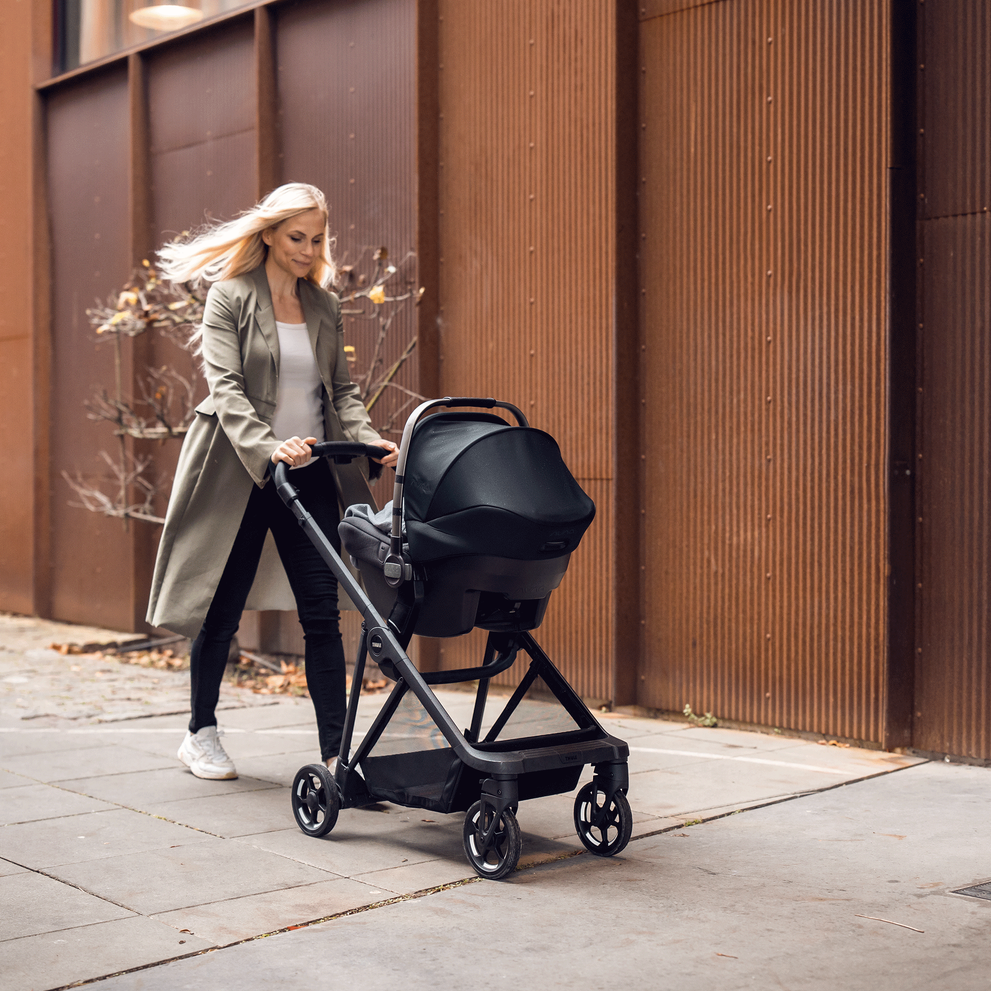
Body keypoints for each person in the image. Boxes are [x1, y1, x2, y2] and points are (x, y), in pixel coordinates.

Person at [146, 182, 398, 781]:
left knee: (322, 611)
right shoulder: (229, 297)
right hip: (242, 470)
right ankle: (199, 733)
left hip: (308, 470)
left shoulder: (324, 306)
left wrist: (367, 439)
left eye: (316, 239)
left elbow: (340, 393)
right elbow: (226, 391)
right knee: (221, 607)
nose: (308, 250)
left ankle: (338, 757)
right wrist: (268, 446)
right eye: (296, 238)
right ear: (267, 234)